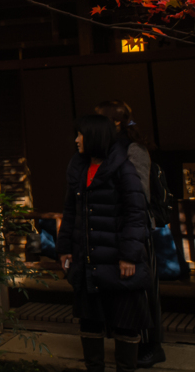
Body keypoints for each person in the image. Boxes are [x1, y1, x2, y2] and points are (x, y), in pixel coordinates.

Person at [56, 114, 151, 372]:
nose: (76, 140)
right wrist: (64, 249)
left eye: (80, 135)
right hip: (87, 261)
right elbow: (70, 211)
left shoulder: (123, 167)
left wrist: (129, 255)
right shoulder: (78, 167)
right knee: (89, 322)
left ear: (95, 137)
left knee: (125, 323)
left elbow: (136, 213)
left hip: (118, 262)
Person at [95, 100, 166, 369]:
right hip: (114, 230)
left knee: (143, 291)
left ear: (115, 122)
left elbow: (139, 196)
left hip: (135, 230)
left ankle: (152, 346)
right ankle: (131, 346)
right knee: (124, 293)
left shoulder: (132, 148)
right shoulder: (108, 148)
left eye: (99, 118)